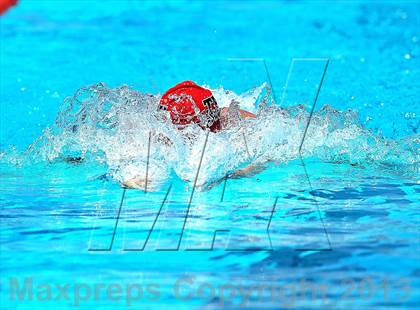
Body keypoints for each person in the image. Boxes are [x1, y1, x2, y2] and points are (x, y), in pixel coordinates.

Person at [123, 81, 257, 189]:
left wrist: (236, 174)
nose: (162, 136)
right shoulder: (154, 134)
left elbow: (270, 151)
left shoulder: (233, 122)